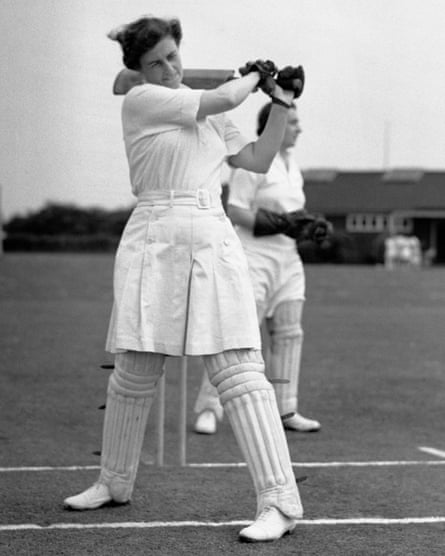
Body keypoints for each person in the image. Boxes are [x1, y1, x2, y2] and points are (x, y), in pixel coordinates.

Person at [63, 15, 309, 542]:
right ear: (139, 69)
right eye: (156, 62)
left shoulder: (205, 102)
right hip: (153, 232)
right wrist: (252, 77)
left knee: (238, 372)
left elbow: (259, 158)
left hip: (209, 234)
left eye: (174, 56)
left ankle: (281, 501)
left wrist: (282, 101)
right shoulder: (143, 101)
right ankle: (114, 482)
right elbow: (220, 99)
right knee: (133, 369)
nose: (170, 68)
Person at [194, 102, 325, 436]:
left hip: (287, 258)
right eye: (292, 121)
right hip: (253, 256)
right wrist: (279, 223)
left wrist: (306, 225)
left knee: (289, 331)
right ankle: (210, 406)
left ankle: (285, 409)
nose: (298, 128)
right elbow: (235, 211)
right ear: (274, 126)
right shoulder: (252, 163)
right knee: (239, 335)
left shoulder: (292, 165)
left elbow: (293, 212)